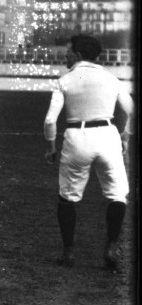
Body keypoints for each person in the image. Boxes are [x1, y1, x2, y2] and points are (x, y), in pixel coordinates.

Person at [43, 35, 134, 269]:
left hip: (77, 137)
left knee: (67, 197)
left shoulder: (65, 80)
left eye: (69, 51)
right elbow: (132, 110)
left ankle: (68, 253)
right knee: (117, 195)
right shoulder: (111, 78)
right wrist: (125, 135)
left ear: (79, 55)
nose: (66, 54)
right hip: (107, 134)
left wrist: (52, 147)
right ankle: (111, 246)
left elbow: (50, 120)